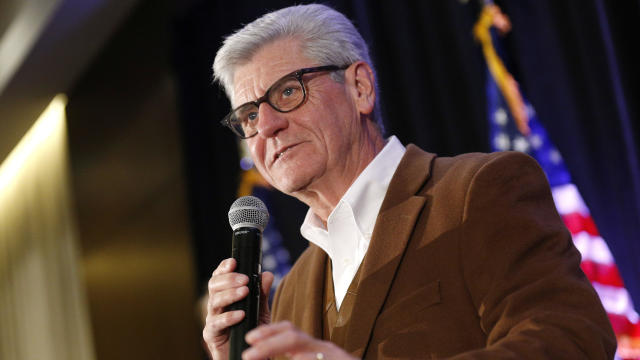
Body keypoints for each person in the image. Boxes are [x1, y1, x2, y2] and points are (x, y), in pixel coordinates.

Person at [203, 4, 616, 359]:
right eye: (250, 116)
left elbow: (572, 341)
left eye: (288, 92)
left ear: (360, 87)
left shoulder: (476, 191)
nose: (268, 126)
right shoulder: (291, 290)